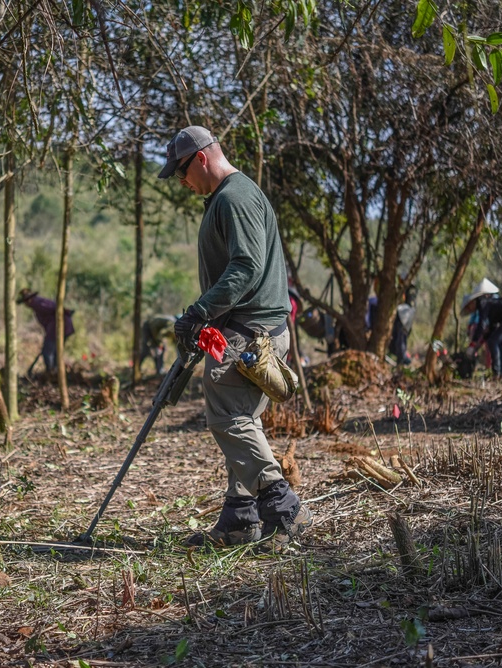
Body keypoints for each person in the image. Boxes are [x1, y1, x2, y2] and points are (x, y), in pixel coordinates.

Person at [159, 125, 311, 551]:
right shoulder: (228, 197)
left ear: (202, 158)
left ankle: (284, 508)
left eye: (182, 172)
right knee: (243, 421)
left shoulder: (235, 197)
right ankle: (240, 518)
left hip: (250, 332)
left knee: (227, 417)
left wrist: (199, 311)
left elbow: (245, 268)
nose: (181, 181)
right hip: (247, 328)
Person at [462, 279, 502, 380]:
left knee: (493, 341)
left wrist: (473, 343)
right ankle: (501, 375)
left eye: (469, 307)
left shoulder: (483, 304)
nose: (470, 310)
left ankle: (496, 373)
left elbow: (481, 325)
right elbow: (490, 328)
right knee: (501, 344)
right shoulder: (486, 305)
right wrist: (476, 346)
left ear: (472, 302)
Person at [17, 288, 74, 375]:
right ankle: (55, 372)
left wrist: (65, 311)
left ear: (28, 300)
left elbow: (55, 308)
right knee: (55, 351)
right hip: (58, 328)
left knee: (48, 352)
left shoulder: (38, 303)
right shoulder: (37, 304)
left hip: (58, 327)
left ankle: (51, 372)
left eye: (25, 302)